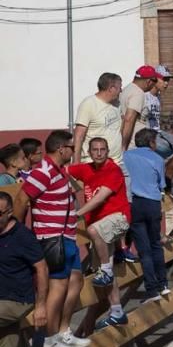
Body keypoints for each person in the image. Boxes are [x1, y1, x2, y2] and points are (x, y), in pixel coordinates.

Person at [21, 131, 92, 347]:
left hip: (66, 236)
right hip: (51, 238)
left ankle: (62, 331)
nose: (74, 151)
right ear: (61, 148)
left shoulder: (58, 171)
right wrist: (22, 232)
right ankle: (49, 339)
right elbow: (22, 199)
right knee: (57, 287)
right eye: (72, 147)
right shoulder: (42, 171)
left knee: (76, 281)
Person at [67, 138, 130, 327]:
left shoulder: (113, 169)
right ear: (90, 151)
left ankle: (107, 269)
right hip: (101, 230)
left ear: (108, 150)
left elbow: (99, 198)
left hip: (118, 218)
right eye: (95, 150)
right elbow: (62, 169)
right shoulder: (85, 169)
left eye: (103, 149)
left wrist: (76, 215)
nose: (99, 153)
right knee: (104, 274)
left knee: (94, 231)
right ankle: (117, 311)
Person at [0, 190, 47, 347]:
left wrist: (41, 306)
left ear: (9, 213)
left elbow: (42, 269)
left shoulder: (23, 237)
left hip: (17, 300)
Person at [122, 129, 168, 301]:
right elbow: (160, 184)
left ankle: (151, 290)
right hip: (153, 204)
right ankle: (163, 284)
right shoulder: (158, 159)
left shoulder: (126, 156)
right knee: (156, 244)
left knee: (144, 250)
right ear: (151, 142)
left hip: (135, 203)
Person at [72, 72, 124, 166]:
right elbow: (79, 135)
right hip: (94, 164)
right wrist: (76, 162)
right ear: (111, 88)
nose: (121, 90)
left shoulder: (117, 104)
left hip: (117, 163)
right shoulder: (89, 104)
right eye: (119, 87)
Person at [120, 66, 157, 150]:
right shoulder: (138, 93)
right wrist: (123, 147)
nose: (155, 84)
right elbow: (128, 120)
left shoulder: (127, 89)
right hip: (133, 145)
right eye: (155, 81)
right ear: (149, 81)